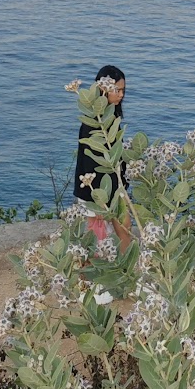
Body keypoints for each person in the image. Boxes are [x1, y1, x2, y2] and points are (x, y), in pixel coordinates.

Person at [73, 65, 131, 254]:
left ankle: (125, 271)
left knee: (124, 229)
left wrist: (123, 186)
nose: (121, 95)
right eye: (117, 90)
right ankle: (86, 280)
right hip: (94, 192)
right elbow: (88, 162)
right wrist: (97, 199)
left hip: (115, 187)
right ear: (104, 89)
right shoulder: (91, 123)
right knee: (96, 238)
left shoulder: (112, 117)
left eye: (123, 90)